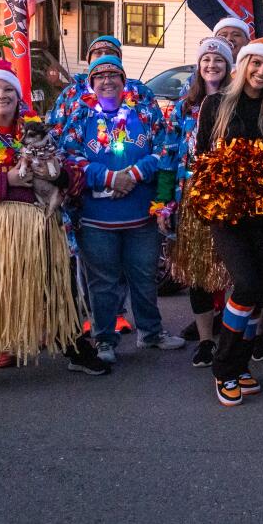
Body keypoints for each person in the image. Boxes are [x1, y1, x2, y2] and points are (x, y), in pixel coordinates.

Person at [0, 61, 101, 400]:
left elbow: (73, 172)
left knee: (55, 290)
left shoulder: (39, 129)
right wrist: (4, 179)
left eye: (8, 89)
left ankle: (72, 346)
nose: (1, 96)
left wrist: (58, 175)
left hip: (41, 225)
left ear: (18, 95)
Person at [59, 53, 184, 364]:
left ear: (123, 81)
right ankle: (104, 339)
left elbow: (164, 149)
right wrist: (111, 177)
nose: (107, 81)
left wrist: (135, 175)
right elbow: (68, 158)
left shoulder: (144, 113)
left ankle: (151, 332)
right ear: (90, 84)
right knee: (102, 282)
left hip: (140, 214)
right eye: (99, 77)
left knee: (143, 276)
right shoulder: (80, 117)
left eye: (113, 75)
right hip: (96, 218)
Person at [192, 35, 263, 406]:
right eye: (257, 63)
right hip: (226, 213)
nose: (262, 72)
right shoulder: (216, 104)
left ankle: (240, 367)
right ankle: (225, 368)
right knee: (247, 285)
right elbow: (202, 156)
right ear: (244, 64)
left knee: (261, 291)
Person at [159, 37, 235, 366]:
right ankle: (206, 341)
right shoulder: (183, 107)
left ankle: (243, 338)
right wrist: (164, 201)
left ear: (230, 67)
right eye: (206, 60)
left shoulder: (239, 103)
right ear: (198, 66)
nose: (212, 65)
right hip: (192, 195)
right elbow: (167, 153)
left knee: (237, 267)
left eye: (219, 61)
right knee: (199, 269)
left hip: (232, 196)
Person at [48, 34, 156, 138]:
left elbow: (160, 135)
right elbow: (55, 131)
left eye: (109, 52)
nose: (103, 56)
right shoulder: (71, 94)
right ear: (89, 59)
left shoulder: (140, 92)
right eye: (98, 53)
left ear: (119, 59)